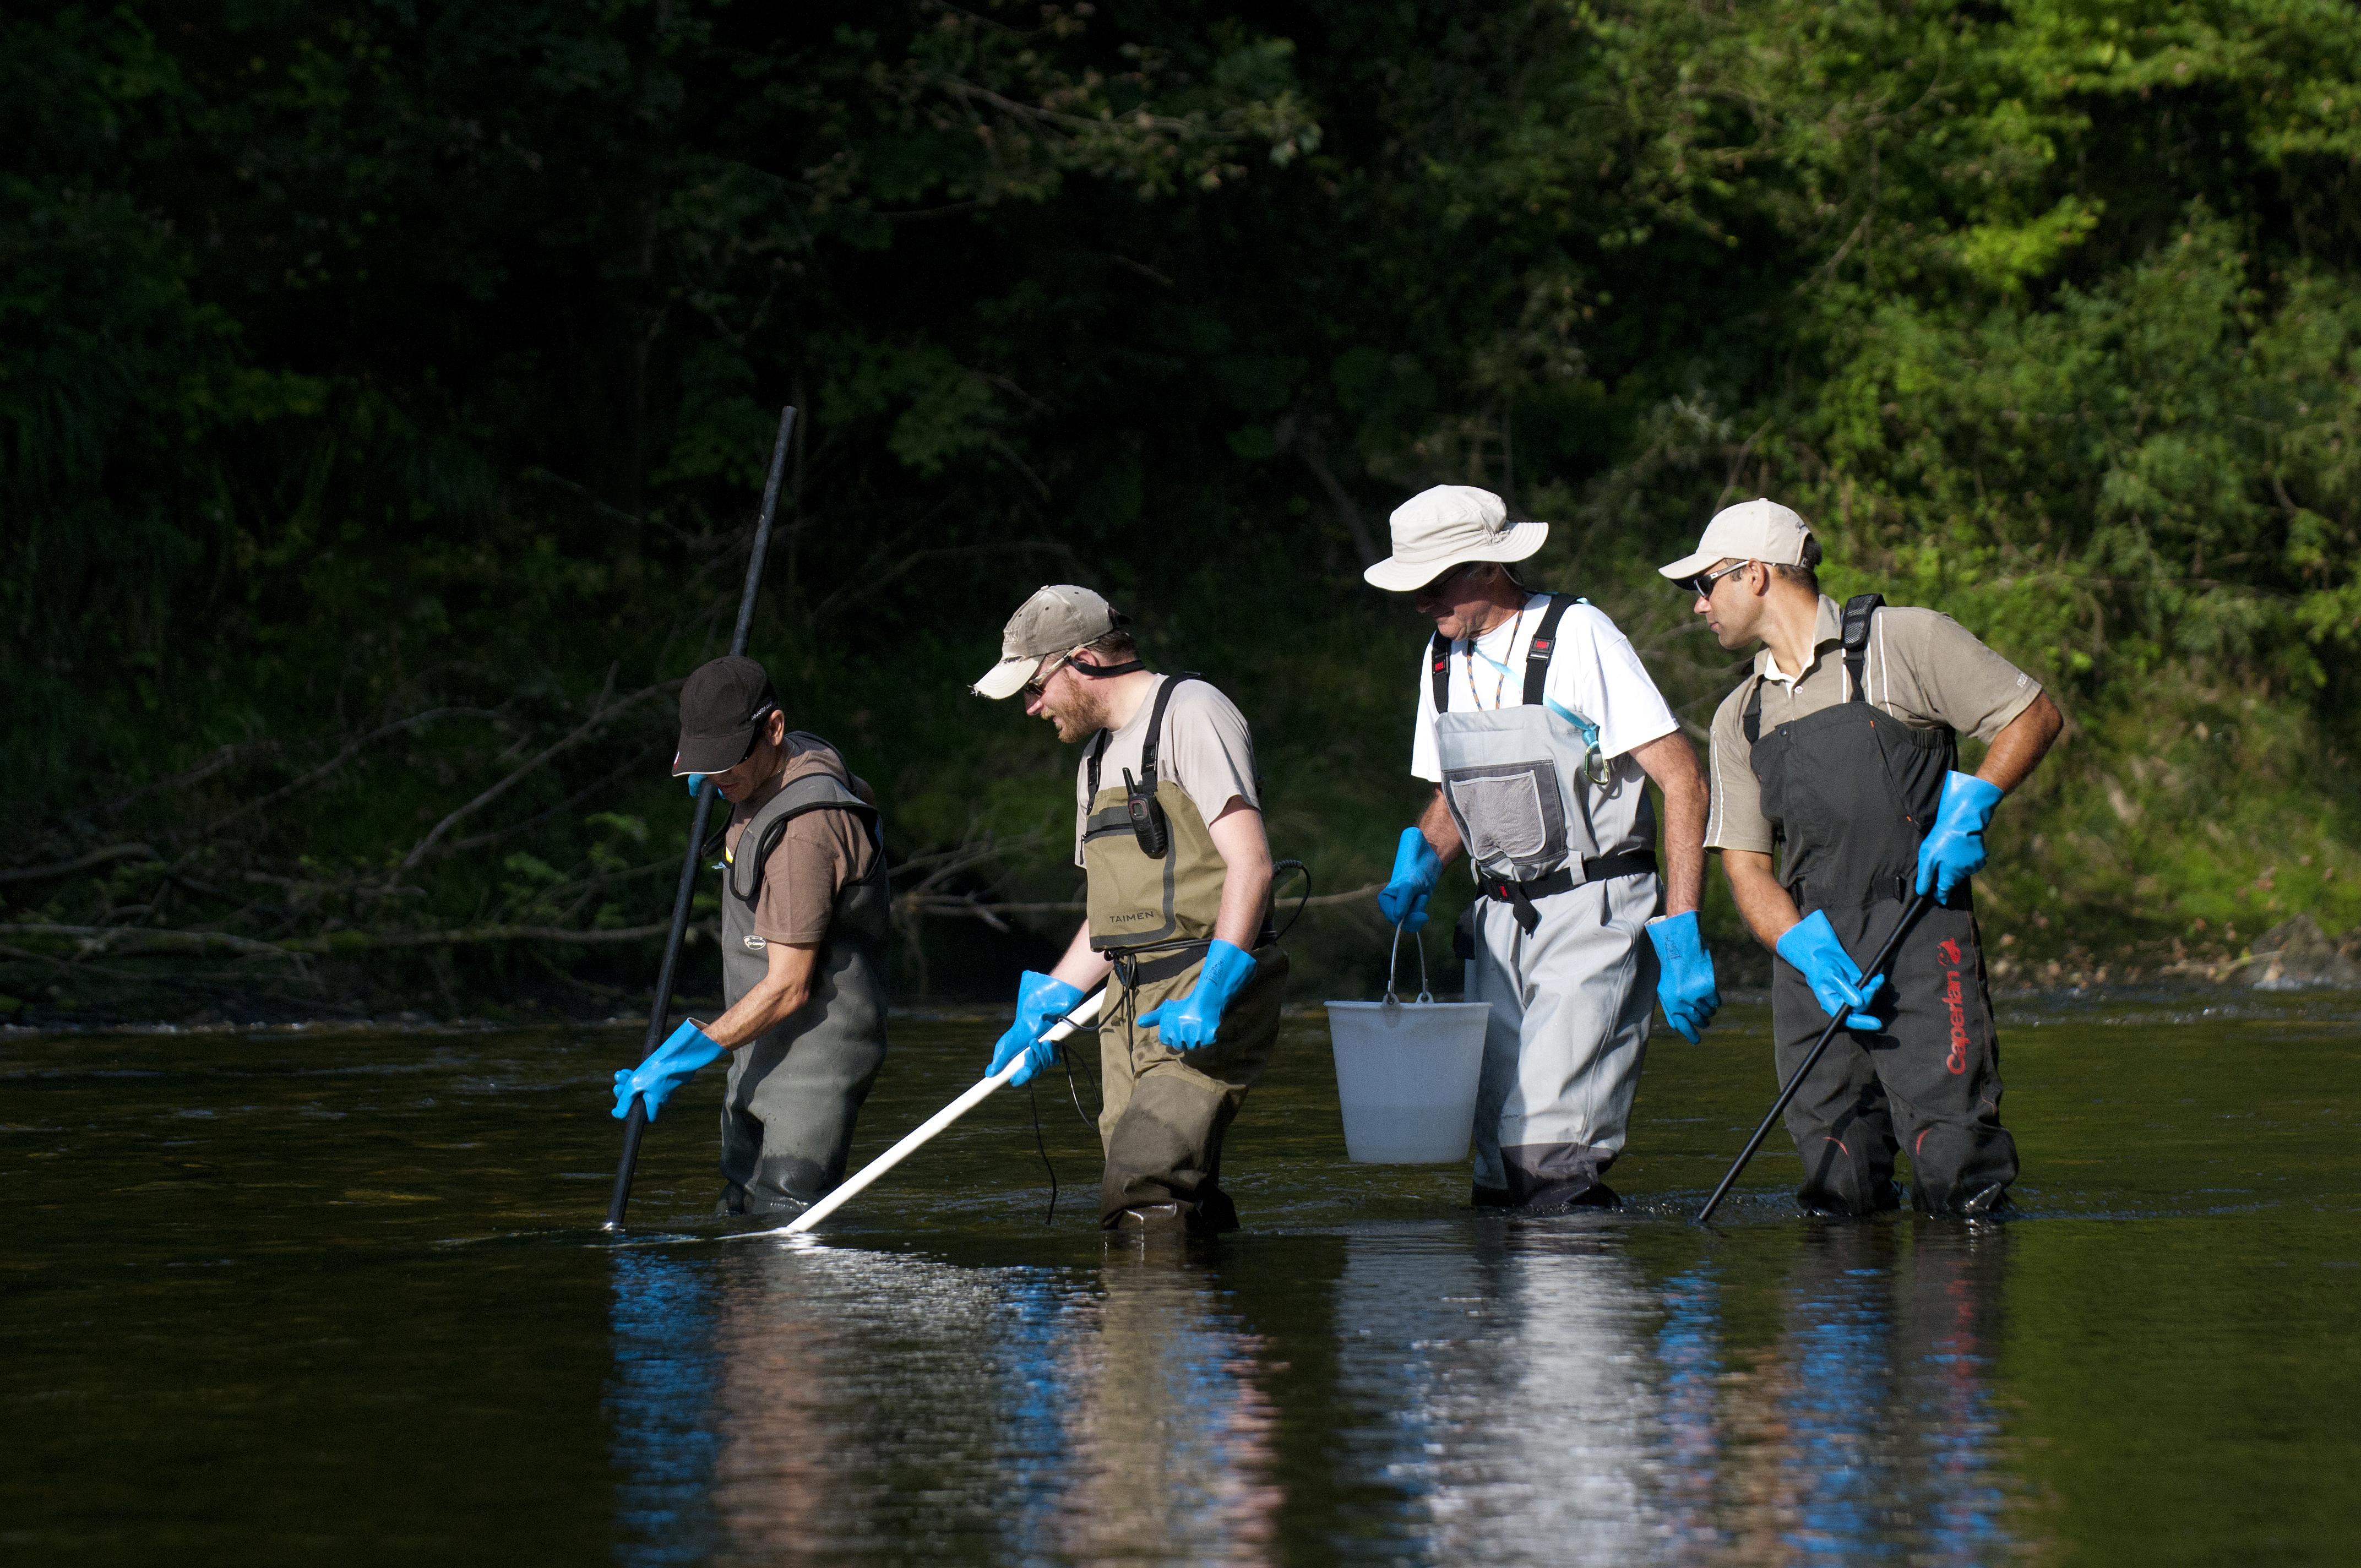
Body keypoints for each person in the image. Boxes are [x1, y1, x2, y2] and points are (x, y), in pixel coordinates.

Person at [1662, 497, 2064, 1215]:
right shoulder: (1740, 716)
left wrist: (1973, 805)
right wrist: (1800, 946)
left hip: (1919, 934)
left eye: (1704, 584)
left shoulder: (1902, 644)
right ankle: (1840, 1327)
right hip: (1811, 963)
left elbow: (2031, 715)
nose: (1699, 607)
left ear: (1754, 574)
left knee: (1958, 1177)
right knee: (1836, 1190)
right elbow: (1747, 869)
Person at [1369, 485, 1720, 1211]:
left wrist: (1681, 929)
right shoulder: (1441, 656)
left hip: (1595, 909)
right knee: (1498, 1170)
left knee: (1548, 1154)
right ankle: (1507, 1324)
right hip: (1497, 924)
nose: (1419, 603)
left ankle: (1584, 1320)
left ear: (1487, 569)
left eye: (1432, 585)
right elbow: (1454, 797)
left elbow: (1682, 778)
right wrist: (1424, 857)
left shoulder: (1579, 635)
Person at [973, 584, 1287, 1238]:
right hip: (1124, 1004)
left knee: (1143, 1186)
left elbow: (1250, 865)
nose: (1031, 708)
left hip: (1204, 985)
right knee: (1157, 1183)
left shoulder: (1192, 711)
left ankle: (1141, 1329)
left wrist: (1211, 994)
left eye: (1035, 688)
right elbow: (1109, 913)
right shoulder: (1093, 760)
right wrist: (1052, 998)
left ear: (1082, 661)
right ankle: (1197, 1330)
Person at [609, 656, 892, 1217]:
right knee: (736, 1218)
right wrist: (728, 773)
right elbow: (859, 789)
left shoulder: (803, 834)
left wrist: (687, 1054)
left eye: (728, 762)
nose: (718, 779)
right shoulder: (791, 757)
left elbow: (788, 987)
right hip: (760, 1049)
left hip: (811, 1059)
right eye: (705, 765)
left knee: (781, 1229)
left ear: (775, 728)